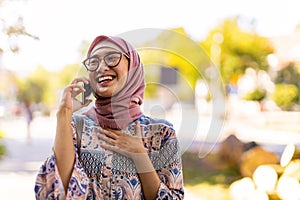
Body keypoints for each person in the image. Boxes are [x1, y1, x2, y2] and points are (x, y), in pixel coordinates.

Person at [34, 35, 184, 199]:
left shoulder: (162, 133)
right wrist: (63, 114)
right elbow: (56, 192)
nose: (101, 67)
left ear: (133, 67)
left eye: (112, 58)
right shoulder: (76, 127)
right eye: (93, 62)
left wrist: (140, 155)